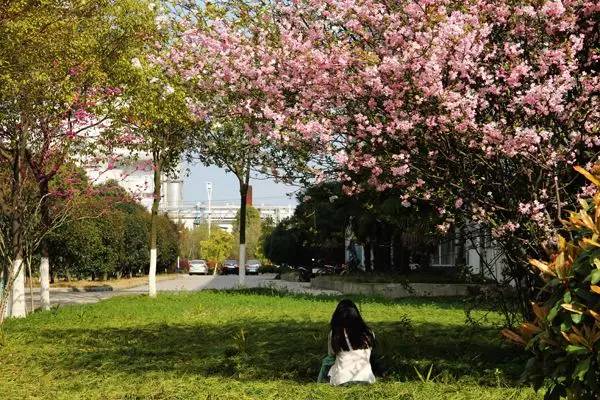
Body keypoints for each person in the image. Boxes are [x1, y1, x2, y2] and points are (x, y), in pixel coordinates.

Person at [318, 299, 376, 386]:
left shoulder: (336, 334)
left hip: (342, 381)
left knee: (327, 361)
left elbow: (331, 355)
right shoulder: (369, 333)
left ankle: (320, 383)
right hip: (367, 379)